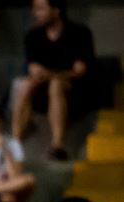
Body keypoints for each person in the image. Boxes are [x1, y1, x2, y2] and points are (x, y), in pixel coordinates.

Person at [12, 0, 94, 161]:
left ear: (56, 10)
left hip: (75, 93)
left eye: (41, 9)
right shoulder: (33, 36)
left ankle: (58, 146)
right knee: (25, 84)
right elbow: (33, 70)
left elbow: (80, 71)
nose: (36, 13)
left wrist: (50, 74)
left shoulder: (79, 33)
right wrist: (52, 74)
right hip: (42, 92)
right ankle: (15, 142)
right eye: (35, 9)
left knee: (55, 85)